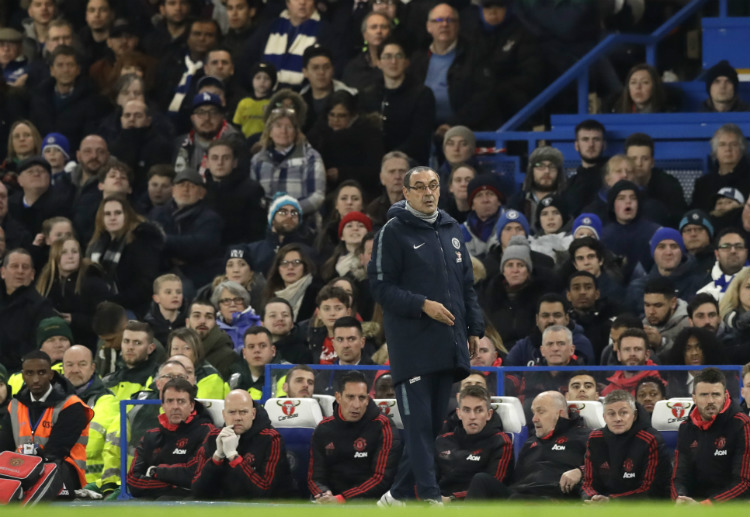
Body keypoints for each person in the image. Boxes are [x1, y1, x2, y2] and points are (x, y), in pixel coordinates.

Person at [368, 166, 483, 505]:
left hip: (447, 342)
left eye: (433, 185)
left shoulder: (452, 229)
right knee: (418, 426)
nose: (428, 193)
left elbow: (466, 287)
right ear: (405, 193)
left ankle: (397, 496)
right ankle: (430, 497)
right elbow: (379, 287)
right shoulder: (393, 231)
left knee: (431, 428)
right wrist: (422, 305)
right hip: (412, 345)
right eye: (419, 187)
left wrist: (474, 328)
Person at [0, 350, 94, 492]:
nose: (36, 379)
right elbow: (3, 447)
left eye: (42, 373)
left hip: (61, 471)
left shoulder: (72, 405)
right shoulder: (15, 405)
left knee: (50, 470)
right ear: (23, 375)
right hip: (21, 469)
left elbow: (56, 451)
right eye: (30, 373)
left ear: (51, 374)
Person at [308, 370, 401, 503]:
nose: (356, 405)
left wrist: (342, 499)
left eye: (362, 398)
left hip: (370, 503)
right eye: (350, 397)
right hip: (330, 501)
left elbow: (381, 479)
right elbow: (315, 477)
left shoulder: (383, 426)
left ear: (368, 399)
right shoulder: (323, 429)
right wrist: (323, 494)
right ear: (338, 397)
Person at [479, 391, 590, 499]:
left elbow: (602, 469)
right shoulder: (530, 442)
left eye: (541, 412)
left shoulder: (585, 437)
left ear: (560, 414)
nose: (534, 419)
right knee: (482, 480)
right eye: (533, 413)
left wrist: (580, 471)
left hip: (553, 497)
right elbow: (515, 480)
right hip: (519, 495)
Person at [192, 389, 292, 499]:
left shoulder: (271, 438)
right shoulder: (213, 436)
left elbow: (264, 492)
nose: (237, 418)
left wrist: (233, 457)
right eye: (232, 412)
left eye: (243, 412)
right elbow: (197, 491)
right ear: (224, 415)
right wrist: (217, 457)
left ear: (253, 414)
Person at [672, 367, 750, 503]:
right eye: (704, 395)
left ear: (725, 396)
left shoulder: (742, 424)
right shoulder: (686, 428)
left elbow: (744, 483)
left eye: (716, 394)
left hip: (729, 507)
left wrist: (707, 506)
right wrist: (679, 498)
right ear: (694, 398)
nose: (710, 401)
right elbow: (679, 477)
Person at [127, 377, 213, 499]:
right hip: (153, 502)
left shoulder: (206, 432)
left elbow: (193, 476)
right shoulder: (150, 436)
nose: (175, 406)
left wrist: (154, 471)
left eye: (181, 401)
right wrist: (174, 487)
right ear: (163, 405)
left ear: (192, 405)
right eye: (170, 401)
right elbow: (132, 481)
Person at [582, 390, 671, 501]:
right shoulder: (594, 439)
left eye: (623, 413)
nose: (618, 419)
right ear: (604, 417)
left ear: (634, 415)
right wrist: (592, 497)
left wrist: (612, 502)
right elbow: (588, 483)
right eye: (611, 413)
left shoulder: (650, 439)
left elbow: (651, 489)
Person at [358, 37, 435, 165]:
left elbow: (419, 138)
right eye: (387, 57)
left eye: (398, 56)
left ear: (406, 62)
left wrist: (391, 159)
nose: (393, 61)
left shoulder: (422, 94)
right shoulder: (367, 94)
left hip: (410, 163)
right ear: (379, 62)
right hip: (374, 163)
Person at [86, 195, 164, 318]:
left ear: (127, 216)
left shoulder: (141, 240)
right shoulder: (97, 245)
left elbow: (145, 285)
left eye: (117, 213)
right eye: (107, 214)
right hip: (105, 306)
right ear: (101, 218)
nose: (112, 218)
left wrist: (113, 301)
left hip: (134, 308)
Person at [435, 385, 514, 501]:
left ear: (489, 414)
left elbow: (492, 487)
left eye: (479, 410)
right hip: (439, 503)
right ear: (459, 413)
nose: (472, 417)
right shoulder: (442, 441)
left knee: (481, 479)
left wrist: (452, 499)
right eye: (467, 410)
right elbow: (428, 480)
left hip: (478, 506)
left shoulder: (501, 442)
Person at [151, 167, 224, 291]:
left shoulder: (210, 218)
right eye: (181, 185)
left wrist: (164, 241)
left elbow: (200, 245)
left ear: (202, 193)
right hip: (162, 270)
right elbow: (149, 242)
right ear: (173, 190)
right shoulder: (158, 213)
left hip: (194, 275)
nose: (185, 189)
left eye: (192, 186)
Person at [62, 345, 120, 494]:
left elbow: (95, 446)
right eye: (69, 365)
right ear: (62, 368)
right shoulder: (52, 401)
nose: (75, 369)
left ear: (92, 368)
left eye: (82, 364)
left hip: (94, 488)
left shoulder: (107, 402)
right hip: (60, 484)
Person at [35, 236, 111, 349]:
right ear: (55, 256)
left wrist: (74, 319)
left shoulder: (93, 282)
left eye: (74, 252)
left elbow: (106, 322)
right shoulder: (46, 282)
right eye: (64, 252)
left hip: (87, 343)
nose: (70, 256)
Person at [250, 107, 325, 216]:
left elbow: (317, 196)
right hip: (265, 223)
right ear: (269, 131)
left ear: (296, 132)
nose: (283, 131)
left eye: (289, 127)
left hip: (302, 223)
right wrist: (271, 211)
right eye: (278, 126)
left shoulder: (311, 157)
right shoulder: (257, 160)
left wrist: (289, 211)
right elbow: (253, 196)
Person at [626, 226, 707, 315]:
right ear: (653, 253)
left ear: (682, 252)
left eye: (674, 246)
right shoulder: (638, 288)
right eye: (661, 247)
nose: (668, 252)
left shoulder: (700, 284)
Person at [0, 248, 56, 371]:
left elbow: (37, 347)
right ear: (3, 272)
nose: (20, 271)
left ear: (32, 274)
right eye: (15, 266)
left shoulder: (41, 306)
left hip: (19, 371)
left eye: (25, 267)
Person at [204, 137, 267, 246]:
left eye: (226, 158)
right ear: (207, 163)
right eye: (215, 158)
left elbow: (256, 233)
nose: (220, 163)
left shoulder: (252, 190)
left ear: (235, 163)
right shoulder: (200, 191)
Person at [504, 293, 595, 367]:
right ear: (537, 320)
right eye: (545, 316)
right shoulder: (523, 346)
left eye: (557, 315)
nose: (551, 320)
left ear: (567, 319)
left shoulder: (581, 343)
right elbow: (508, 375)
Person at [625, 132, 686, 227]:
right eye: (633, 159)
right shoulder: (620, 183)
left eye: (645, 159)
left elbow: (678, 220)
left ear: (652, 162)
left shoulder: (669, 185)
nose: (639, 164)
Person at [507, 146, 566, 230]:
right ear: (531, 171)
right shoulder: (518, 201)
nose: (547, 171)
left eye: (552, 166)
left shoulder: (567, 200)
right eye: (540, 166)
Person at [692, 126, 750, 213]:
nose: (728, 149)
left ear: (742, 149)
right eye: (722, 144)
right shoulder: (703, 184)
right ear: (715, 151)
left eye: (733, 144)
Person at [103, 320, 163, 401]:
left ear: (150, 348)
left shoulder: (159, 380)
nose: (130, 347)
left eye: (137, 343)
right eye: (126, 341)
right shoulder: (107, 381)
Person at [314, 317, 375, 396]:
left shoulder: (376, 374)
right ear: (333, 344)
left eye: (351, 339)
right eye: (340, 339)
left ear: (362, 342)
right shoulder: (323, 378)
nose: (345, 345)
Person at [262, 243, 322, 323]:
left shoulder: (317, 293)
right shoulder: (270, 294)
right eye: (284, 263)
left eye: (296, 262)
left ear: (305, 266)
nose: (290, 267)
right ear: (278, 269)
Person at [166, 327, 228, 400]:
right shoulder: (161, 373)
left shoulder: (210, 377)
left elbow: (199, 407)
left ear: (196, 351)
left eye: (186, 348)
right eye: (175, 349)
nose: (180, 353)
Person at [601, 328, 664, 396]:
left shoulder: (661, 388)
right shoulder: (609, 392)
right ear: (619, 355)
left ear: (647, 355)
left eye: (637, 349)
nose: (632, 354)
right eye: (627, 349)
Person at [185, 299, 236, 380]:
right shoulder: (178, 348)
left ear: (215, 323)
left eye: (209, 317)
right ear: (187, 322)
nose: (202, 321)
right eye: (197, 316)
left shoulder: (227, 356)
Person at [565, 120, 608, 214]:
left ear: (604, 145)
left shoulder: (613, 177)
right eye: (585, 139)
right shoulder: (569, 184)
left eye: (596, 139)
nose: (591, 145)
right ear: (576, 145)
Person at [460, 174, 506, 258]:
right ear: (472, 205)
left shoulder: (512, 225)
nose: (485, 200)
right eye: (479, 195)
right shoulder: (460, 232)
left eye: (490, 194)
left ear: (499, 201)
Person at [697, 227, 748, 301]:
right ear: (717, 254)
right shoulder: (702, 285)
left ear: (746, 253)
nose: (733, 251)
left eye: (738, 246)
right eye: (726, 246)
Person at [212, 280, 261, 352]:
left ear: (245, 303)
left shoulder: (259, 325)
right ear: (219, 307)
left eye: (237, 300)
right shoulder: (212, 329)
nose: (232, 304)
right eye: (226, 300)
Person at [365, 151, 409, 228]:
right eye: (392, 172)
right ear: (382, 178)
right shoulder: (373, 211)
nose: (397, 176)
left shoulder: (420, 206)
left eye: (402, 171)